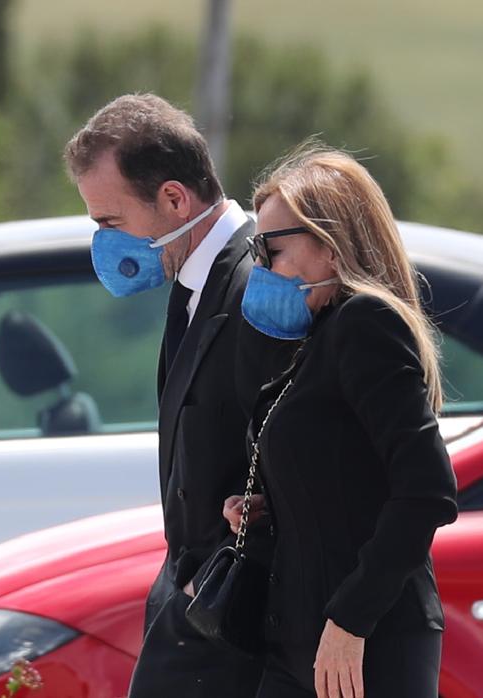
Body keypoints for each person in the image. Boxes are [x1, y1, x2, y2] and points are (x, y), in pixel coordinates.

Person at [63, 94, 290, 697]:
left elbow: (290, 454)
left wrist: (206, 583)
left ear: (172, 198)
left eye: (110, 222)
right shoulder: (189, 277)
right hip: (196, 605)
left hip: (234, 618)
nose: (105, 242)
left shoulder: (256, 286)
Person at [222, 145, 458, 698]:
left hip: (363, 639)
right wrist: (269, 506)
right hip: (298, 638)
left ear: (328, 247)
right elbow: (343, 479)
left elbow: (427, 490)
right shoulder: (318, 337)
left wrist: (352, 621)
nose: (262, 267)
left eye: (270, 249)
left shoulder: (365, 324)